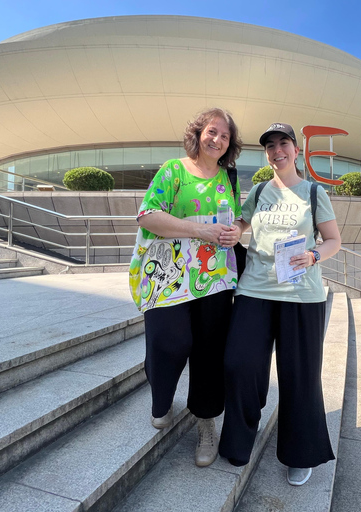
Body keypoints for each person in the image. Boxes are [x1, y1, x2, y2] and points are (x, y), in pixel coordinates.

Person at [219, 123, 342, 486]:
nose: (277, 151)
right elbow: (242, 223)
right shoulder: (258, 191)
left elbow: (334, 239)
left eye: (283, 144)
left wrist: (314, 255)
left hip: (301, 296)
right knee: (239, 363)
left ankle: (299, 453)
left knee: (299, 376)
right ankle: (241, 439)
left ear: (296, 149)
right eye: (270, 146)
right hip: (254, 291)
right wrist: (234, 231)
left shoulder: (314, 192)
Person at [128, 107, 243, 467]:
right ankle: (161, 398)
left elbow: (237, 217)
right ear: (198, 133)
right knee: (169, 341)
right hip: (171, 275)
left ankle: (206, 421)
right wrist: (199, 230)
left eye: (225, 136)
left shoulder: (229, 177)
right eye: (212, 131)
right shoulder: (173, 170)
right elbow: (148, 215)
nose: (218, 140)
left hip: (215, 278)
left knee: (210, 352)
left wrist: (237, 229)